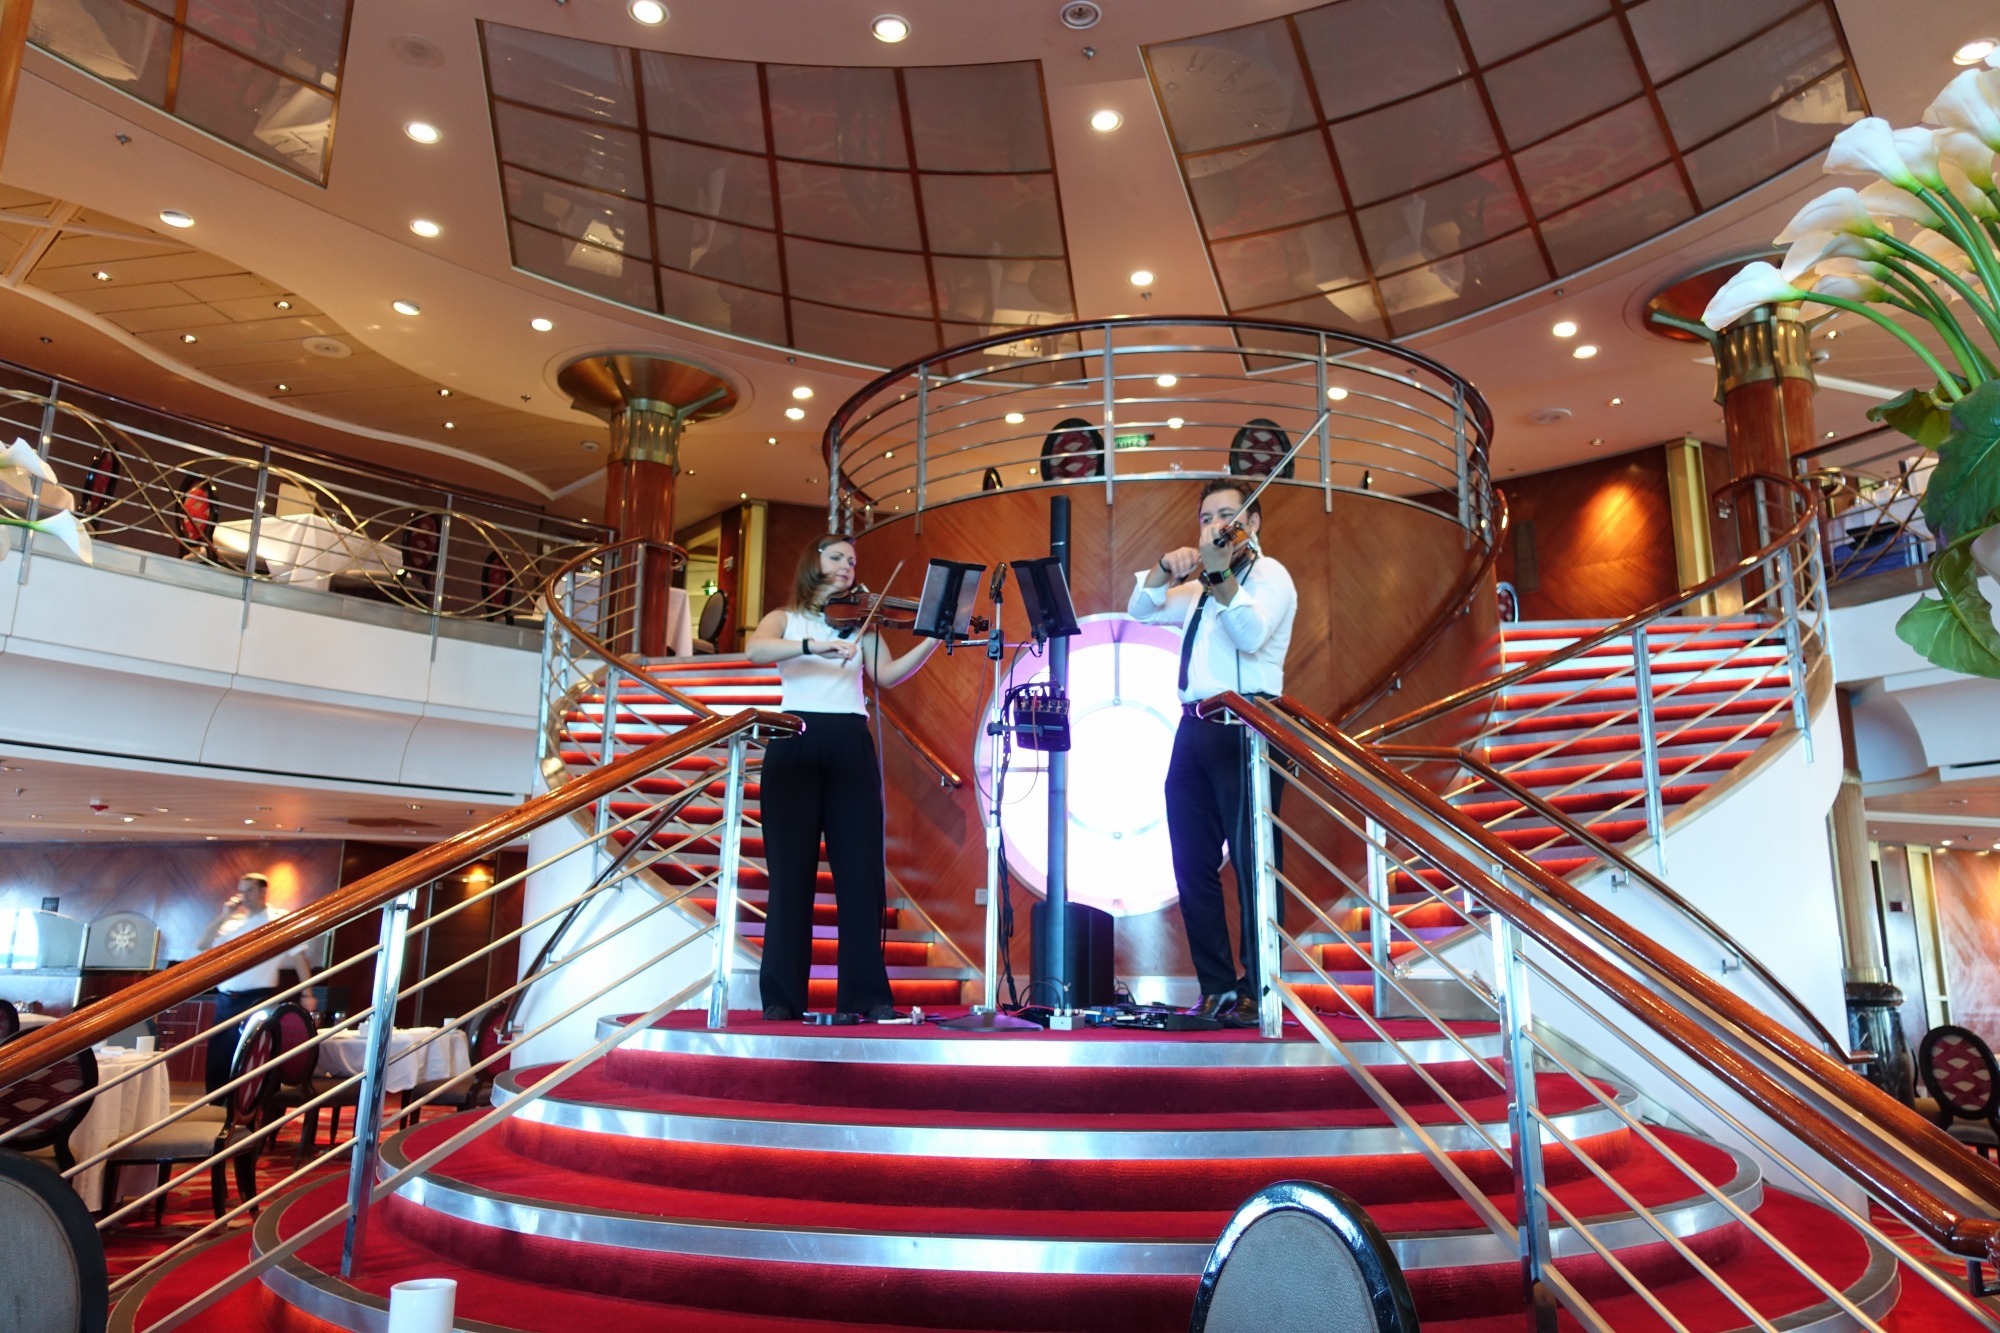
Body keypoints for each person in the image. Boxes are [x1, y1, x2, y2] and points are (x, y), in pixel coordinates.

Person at [745, 534, 942, 1022]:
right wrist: (815, 644)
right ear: (813, 561)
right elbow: (756, 650)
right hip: (793, 739)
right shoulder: (785, 618)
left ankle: (866, 996)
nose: (847, 566)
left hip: (850, 741)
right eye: (836, 557)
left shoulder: (861, 622)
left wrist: (934, 639)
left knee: (860, 874)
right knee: (790, 875)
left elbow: (888, 675)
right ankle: (781, 998)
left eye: (852, 561)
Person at [1127, 479, 1298, 1027]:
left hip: (1246, 727)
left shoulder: (1269, 575)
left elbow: (1250, 635)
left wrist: (1220, 573)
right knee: (1191, 864)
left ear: (1255, 523)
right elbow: (1140, 609)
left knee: (1253, 864)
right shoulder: (1201, 587)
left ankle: (1259, 989)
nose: (1217, 525)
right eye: (1206, 518)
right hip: (1193, 729)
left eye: (1228, 514)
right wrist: (1164, 567)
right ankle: (1218, 989)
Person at [196, 873, 316, 1092]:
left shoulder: (278, 920)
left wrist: (307, 993)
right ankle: (217, 1101)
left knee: (254, 1051)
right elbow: (202, 945)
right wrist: (223, 916)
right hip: (226, 999)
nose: (244, 896)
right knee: (220, 1053)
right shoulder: (232, 923)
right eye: (241, 891)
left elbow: (299, 958)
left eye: (249, 890)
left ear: (263, 891)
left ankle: (253, 1101)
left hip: (258, 997)